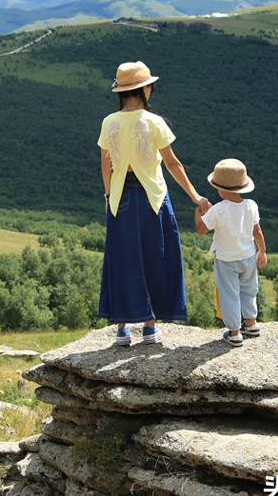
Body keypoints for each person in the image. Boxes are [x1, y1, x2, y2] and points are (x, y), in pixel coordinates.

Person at [98, 61, 212, 346]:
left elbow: (105, 164)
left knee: (121, 258)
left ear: (121, 92)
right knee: (156, 255)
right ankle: (150, 326)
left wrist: (109, 196)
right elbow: (173, 164)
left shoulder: (109, 121)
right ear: (145, 89)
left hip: (120, 196)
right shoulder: (154, 121)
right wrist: (195, 196)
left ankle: (122, 328)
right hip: (153, 197)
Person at [193, 158, 267, 347]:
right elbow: (257, 231)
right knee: (249, 289)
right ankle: (251, 323)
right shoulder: (251, 204)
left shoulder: (218, 210)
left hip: (226, 260)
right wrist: (262, 252)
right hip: (249, 256)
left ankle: (234, 332)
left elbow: (201, 230)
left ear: (221, 189)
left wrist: (198, 214)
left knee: (229, 294)